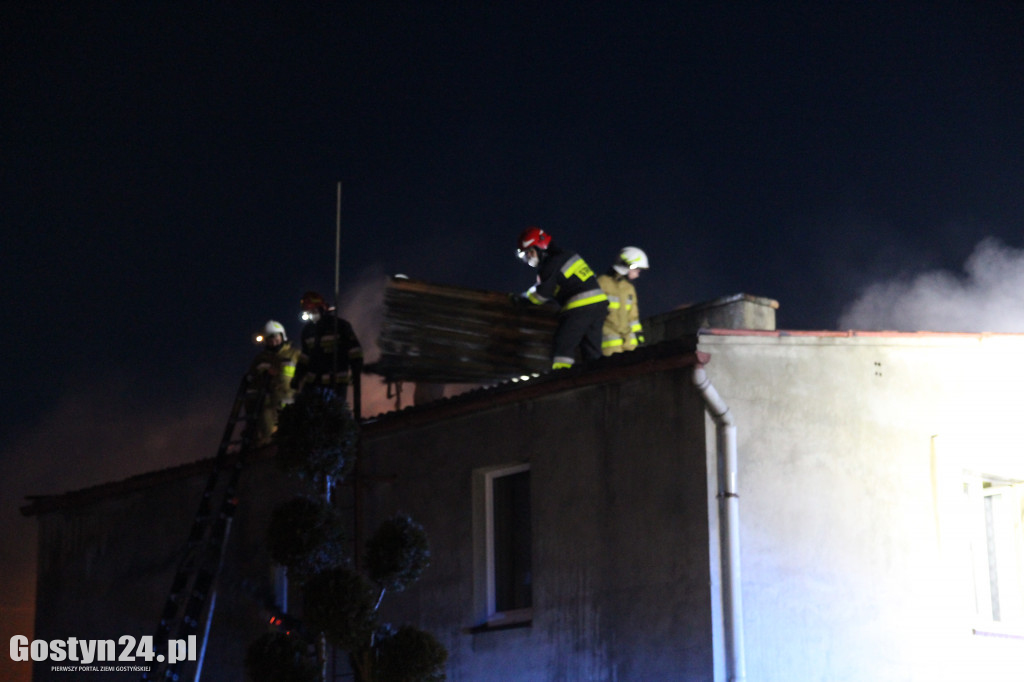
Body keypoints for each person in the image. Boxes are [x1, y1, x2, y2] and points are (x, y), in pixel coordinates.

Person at [515, 226, 608, 370]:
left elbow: (541, 296)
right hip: (599, 304)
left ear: (539, 248)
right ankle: (597, 378)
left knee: (563, 346)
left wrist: (523, 298)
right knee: (592, 350)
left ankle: (561, 378)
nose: (528, 258)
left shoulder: (550, 264)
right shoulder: (568, 254)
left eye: (529, 253)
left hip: (580, 306)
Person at [291, 291, 363, 399]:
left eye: (313, 311)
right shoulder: (307, 331)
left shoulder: (339, 325)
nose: (311, 315)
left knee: (334, 409)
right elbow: (305, 357)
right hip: (313, 382)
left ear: (321, 308)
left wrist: (356, 370)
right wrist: (298, 376)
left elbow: (355, 351)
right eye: (308, 312)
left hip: (336, 382)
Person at [248, 320, 301, 444]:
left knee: (291, 438)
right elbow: (252, 381)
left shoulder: (294, 354)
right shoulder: (260, 359)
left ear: (282, 336)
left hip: (290, 403)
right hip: (267, 407)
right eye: (269, 338)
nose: (273, 340)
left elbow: (305, 375)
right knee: (267, 441)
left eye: (275, 336)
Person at [597, 246, 649, 355]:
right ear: (629, 266)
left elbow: (633, 317)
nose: (638, 274)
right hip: (609, 344)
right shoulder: (601, 283)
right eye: (637, 269)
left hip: (629, 344)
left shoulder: (629, 289)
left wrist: (638, 334)